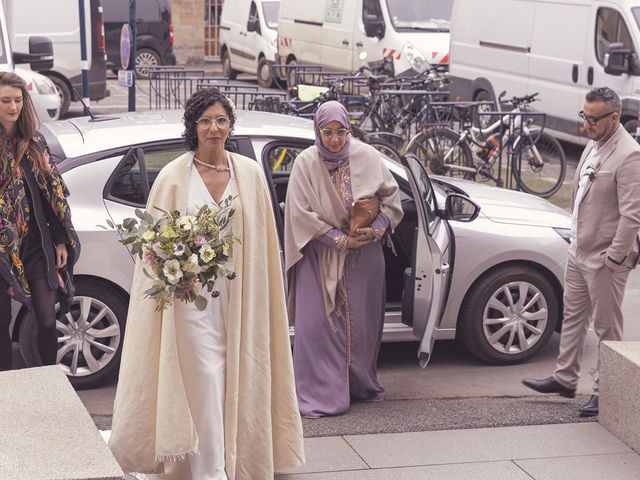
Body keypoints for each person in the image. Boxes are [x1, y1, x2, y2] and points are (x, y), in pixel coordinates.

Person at [108, 88, 304, 480]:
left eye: (220, 120)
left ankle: (236, 456)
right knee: (206, 377)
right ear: (193, 127)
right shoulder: (173, 177)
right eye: (205, 121)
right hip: (190, 302)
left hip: (239, 297)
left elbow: (263, 246)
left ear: (230, 126)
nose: (213, 128)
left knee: (236, 372)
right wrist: (172, 264)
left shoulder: (248, 175)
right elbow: (152, 247)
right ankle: (209, 469)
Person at [522, 87, 640, 417]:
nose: (585, 123)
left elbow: (633, 215)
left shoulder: (630, 155)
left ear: (614, 118)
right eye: (583, 115)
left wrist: (614, 258)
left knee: (607, 328)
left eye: (592, 118)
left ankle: (607, 391)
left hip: (605, 258)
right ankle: (565, 378)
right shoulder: (593, 142)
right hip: (578, 249)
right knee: (573, 317)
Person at [285, 100, 403, 418]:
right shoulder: (305, 163)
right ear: (317, 131)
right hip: (319, 258)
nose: (334, 139)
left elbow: (392, 202)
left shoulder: (367, 156)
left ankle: (359, 385)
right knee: (317, 328)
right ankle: (319, 394)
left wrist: (375, 230)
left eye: (341, 131)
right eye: (327, 132)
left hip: (363, 259)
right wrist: (339, 239)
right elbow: (299, 214)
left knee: (362, 327)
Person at [0, 71, 80, 371]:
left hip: (35, 243)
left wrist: (59, 238)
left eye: (18, 100)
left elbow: (51, 195)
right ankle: (5, 389)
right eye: (5, 100)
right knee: (2, 323)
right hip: (2, 246)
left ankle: (50, 380)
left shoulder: (34, 142)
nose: (13, 107)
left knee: (47, 319)